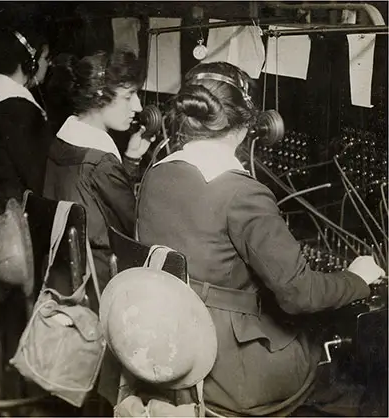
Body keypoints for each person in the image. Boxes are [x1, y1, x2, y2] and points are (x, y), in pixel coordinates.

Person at [136, 61, 385, 416]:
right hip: (228, 370)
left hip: (168, 343)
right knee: (352, 375)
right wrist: (357, 279)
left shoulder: (155, 175)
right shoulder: (244, 194)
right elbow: (300, 293)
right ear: (248, 127)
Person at [43, 48, 154, 306]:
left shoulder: (61, 142)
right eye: (129, 96)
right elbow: (136, 227)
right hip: (100, 286)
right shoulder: (100, 161)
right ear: (99, 96)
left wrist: (130, 159)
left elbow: (98, 205)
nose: (137, 106)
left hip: (63, 277)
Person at [0, 28, 53, 210]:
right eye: (45, 58)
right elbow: (38, 178)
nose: (48, 64)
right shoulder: (20, 109)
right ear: (31, 64)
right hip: (16, 211)